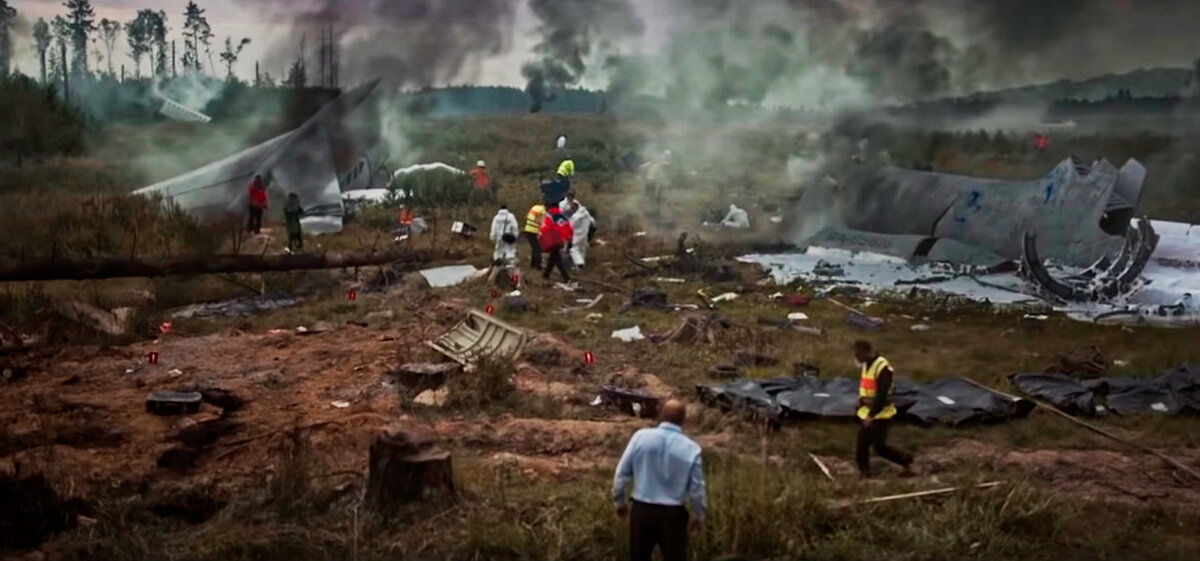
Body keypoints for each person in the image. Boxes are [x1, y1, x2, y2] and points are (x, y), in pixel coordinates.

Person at [612, 399, 706, 561]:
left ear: (660, 416)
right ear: (683, 420)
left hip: (642, 511)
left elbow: (621, 474)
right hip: (673, 516)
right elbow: (697, 490)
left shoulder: (640, 437)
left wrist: (620, 503)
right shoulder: (691, 449)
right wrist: (699, 516)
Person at [853, 340, 915, 478]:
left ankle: (906, 460)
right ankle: (864, 472)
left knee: (879, 447)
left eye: (858, 353)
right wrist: (862, 402)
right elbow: (868, 388)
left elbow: (882, 394)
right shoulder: (866, 365)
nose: (856, 357)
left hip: (881, 414)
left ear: (866, 352)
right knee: (861, 445)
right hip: (867, 411)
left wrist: (871, 415)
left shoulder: (883, 368)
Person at [539, 206, 572, 282]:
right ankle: (546, 275)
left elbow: (546, 227)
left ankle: (566, 278)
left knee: (557, 260)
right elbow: (569, 227)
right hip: (561, 239)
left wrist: (540, 233)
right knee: (553, 258)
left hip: (553, 240)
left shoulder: (548, 217)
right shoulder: (563, 216)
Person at [489, 205, 520, 283]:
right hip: (509, 239)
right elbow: (515, 228)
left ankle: (491, 280)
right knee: (511, 259)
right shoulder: (511, 217)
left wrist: (493, 237)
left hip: (499, 240)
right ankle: (514, 282)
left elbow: (493, 229)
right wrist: (515, 237)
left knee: (498, 258)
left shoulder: (496, 218)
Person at [568, 199, 595, 269]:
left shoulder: (575, 217)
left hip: (577, 234)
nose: (571, 210)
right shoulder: (586, 213)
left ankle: (579, 263)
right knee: (582, 250)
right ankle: (580, 266)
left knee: (574, 249)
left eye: (572, 208)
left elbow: (570, 226)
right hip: (585, 234)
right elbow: (592, 222)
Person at [523, 203, 546, 269]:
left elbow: (528, 217)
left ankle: (532, 264)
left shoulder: (535, 207)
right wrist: (542, 232)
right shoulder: (543, 211)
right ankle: (538, 266)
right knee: (537, 249)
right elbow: (542, 223)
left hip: (528, 229)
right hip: (534, 230)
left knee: (534, 248)